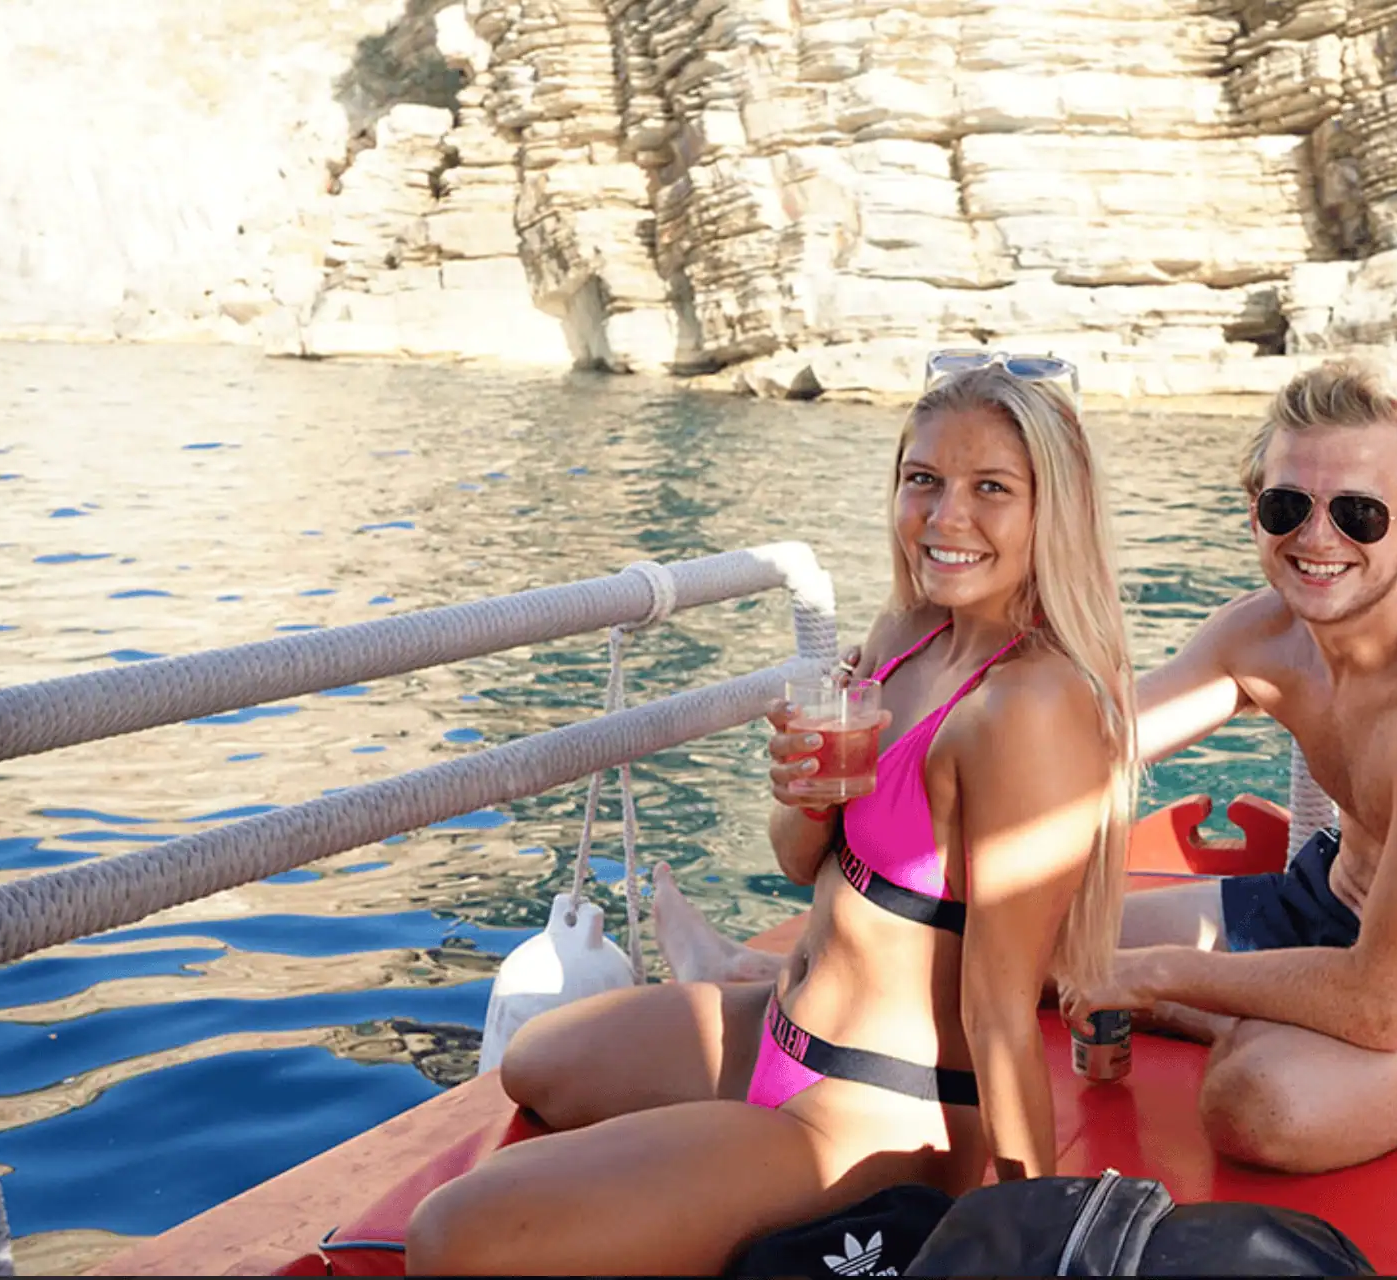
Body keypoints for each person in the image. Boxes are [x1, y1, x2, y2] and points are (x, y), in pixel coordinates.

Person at [664, 356, 1397, 1178]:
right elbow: (1092, 745)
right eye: (1288, 506)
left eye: (1358, 512)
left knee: (1258, 1104)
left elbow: (1384, 1000)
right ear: (1255, 510)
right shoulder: (1265, 635)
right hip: (1322, 905)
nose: (1318, 538)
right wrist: (937, 700)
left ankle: (1260, 1025)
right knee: (1035, 934)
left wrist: (1147, 976)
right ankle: (767, 976)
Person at [404, 354, 1139, 1274]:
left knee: (451, 1238)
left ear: (1053, 508)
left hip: (870, 1113)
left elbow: (997, 1014)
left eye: (991, 487)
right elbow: (802, 864)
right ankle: (733, 994)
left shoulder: (1032, 707)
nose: (946, 517)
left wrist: (1035, 1238)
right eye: (924, 480)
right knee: (538, 1062)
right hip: (778, 1028)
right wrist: (800, 796)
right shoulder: (908, 637)